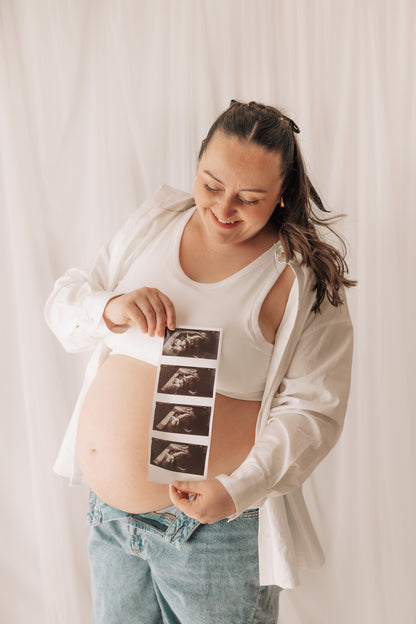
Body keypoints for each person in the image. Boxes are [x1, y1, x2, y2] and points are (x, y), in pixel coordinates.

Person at [45, 100, 355, 623]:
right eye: (211, 185)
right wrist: (110, 308)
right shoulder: (155, 224)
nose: (224, 208)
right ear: (197, 165)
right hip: (112, 522)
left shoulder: (300, 277)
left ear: (283, 195)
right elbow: (64, 306)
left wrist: (236, 492)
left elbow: (313, 413)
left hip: (212, 533)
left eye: (250, 197)